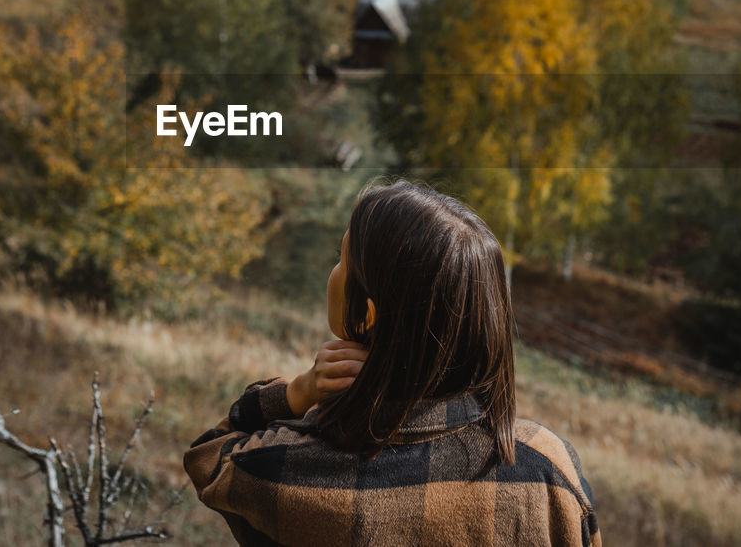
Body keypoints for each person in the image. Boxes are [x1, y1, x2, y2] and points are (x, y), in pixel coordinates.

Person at [184, 179, 601, 546]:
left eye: (341, 257)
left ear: (367, 314)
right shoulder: (546, 470)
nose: (333, 270)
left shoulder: (284, 469)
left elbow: (206, 455)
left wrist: (297, 392)